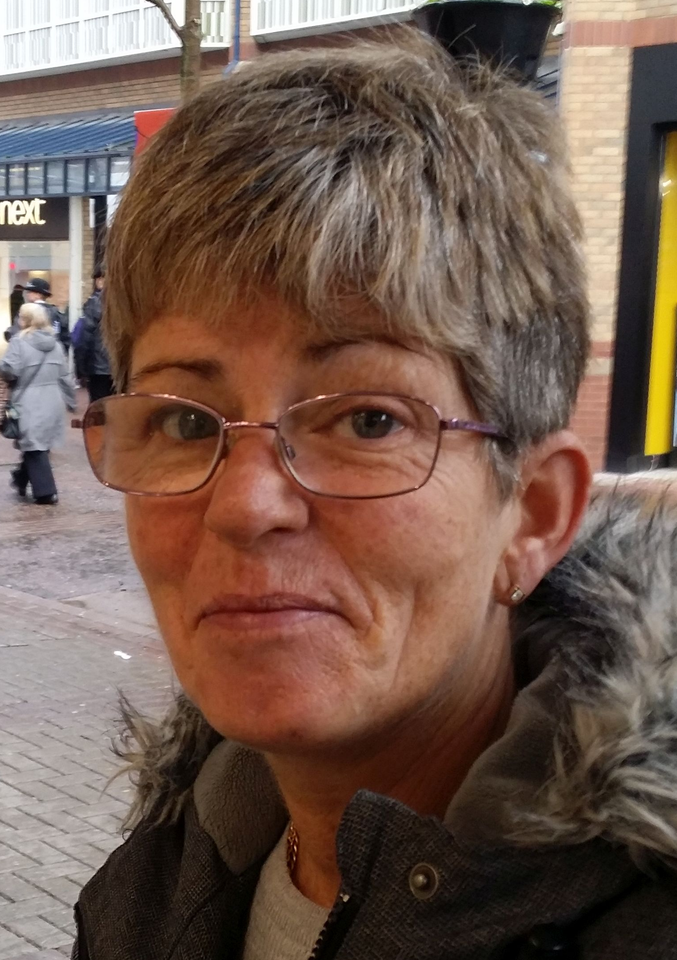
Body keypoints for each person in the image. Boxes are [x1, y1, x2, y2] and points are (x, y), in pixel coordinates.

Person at [74, 35, 677, 960]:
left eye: (367, 421)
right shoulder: (166, 868)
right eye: (187, 422)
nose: (245, 506)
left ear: (533, 515)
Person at [0, 302, 76, 505]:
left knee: (34, 445)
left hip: (29, 399)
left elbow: (10, 370)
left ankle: (46, 492)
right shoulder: (55, 344)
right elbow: (64, 375)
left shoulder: (18, 342)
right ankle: (20, 478)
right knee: (37, 443)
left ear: (25, 320)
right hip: (53, 399)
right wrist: (71, 400)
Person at [74, 268, 114, 402]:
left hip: (98, 367)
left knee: (99, 406)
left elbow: (84, 338)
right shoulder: (126, 302)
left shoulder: (94, 303)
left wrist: (81, 368)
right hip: (120, 367)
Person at [23, 277, 71, 352]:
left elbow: (18, 334)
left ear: (38, 294)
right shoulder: (56, 312)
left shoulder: (27, 312)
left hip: (31, 354)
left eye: (30, 292)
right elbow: (64, 337)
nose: (27, 294)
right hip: (54, 354)